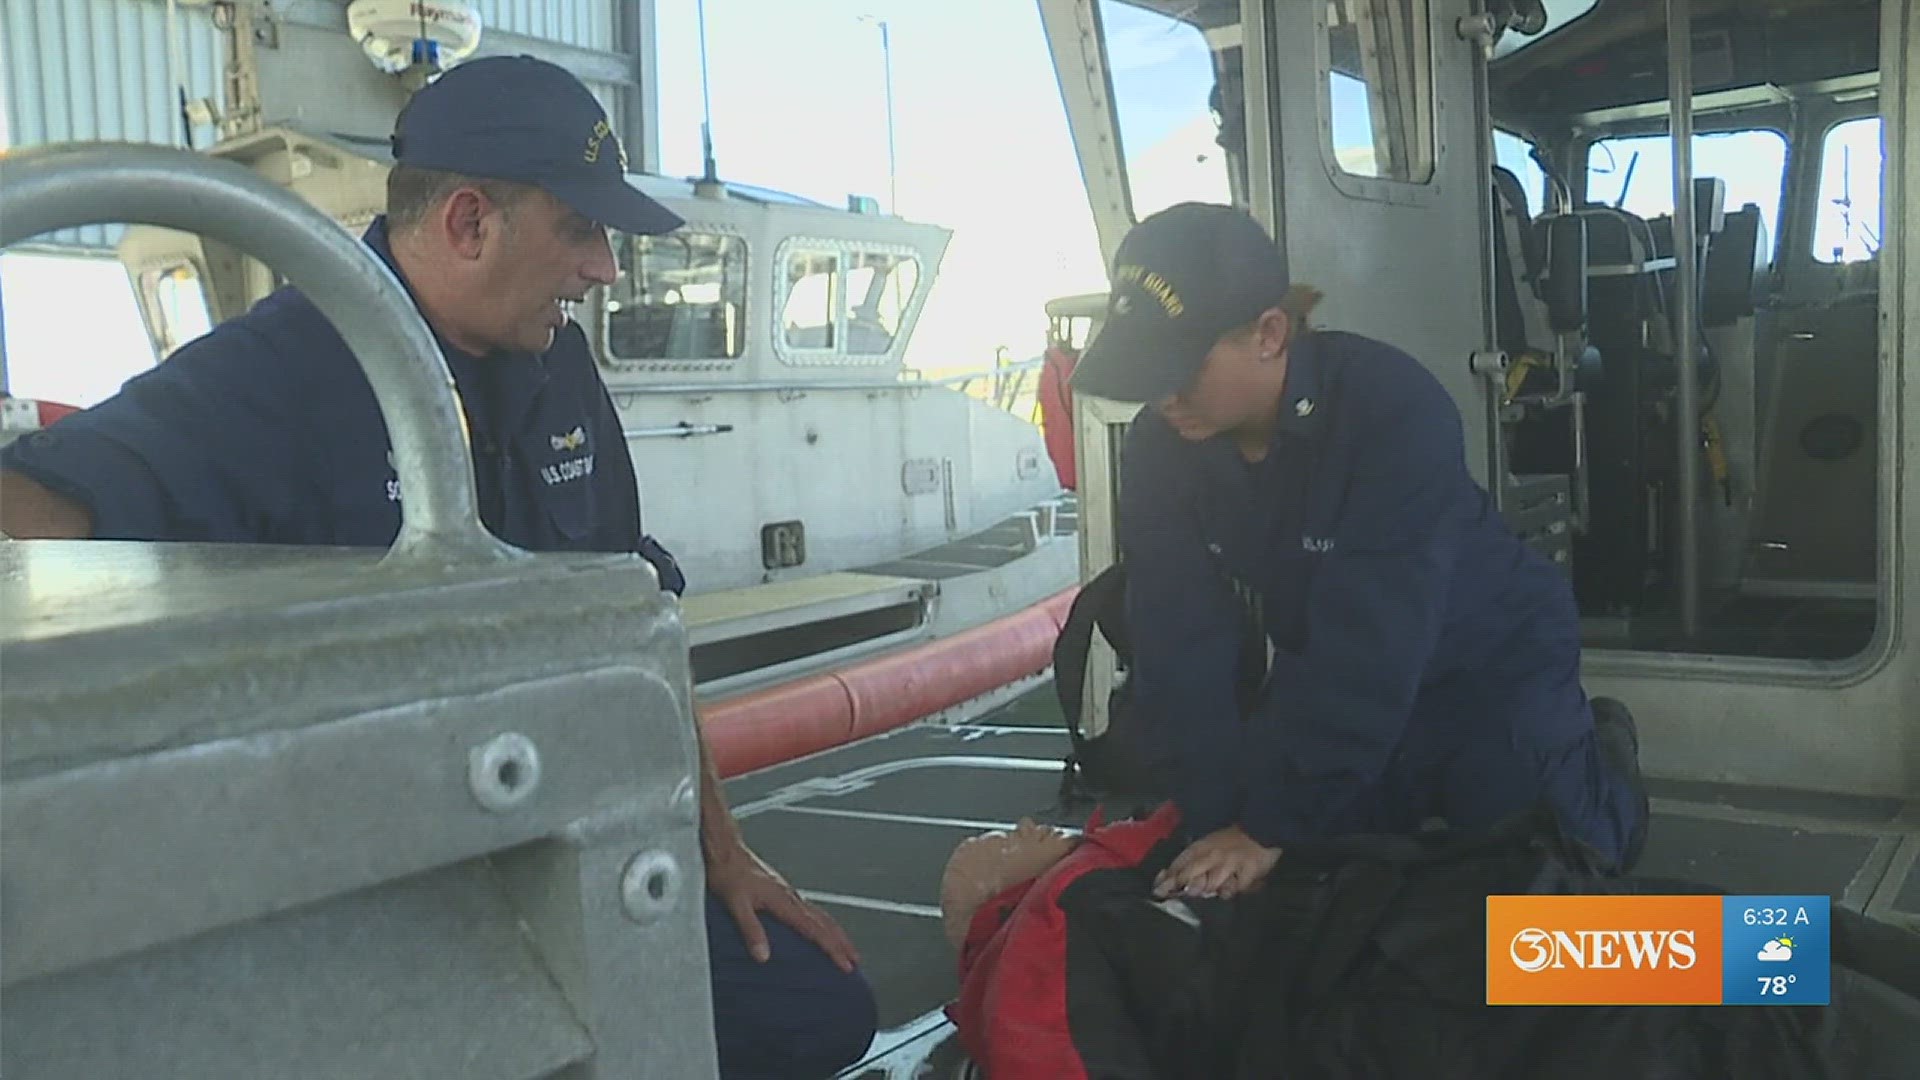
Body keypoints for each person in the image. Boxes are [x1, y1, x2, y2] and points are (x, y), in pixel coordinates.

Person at [0, 55, 876, 1079]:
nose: (604, 268)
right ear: (469, 223)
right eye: (581, 229)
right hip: (371, 898)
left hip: (558, 853)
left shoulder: (558, 367)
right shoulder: (275, 371)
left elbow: (637, 618)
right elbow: (38, 509)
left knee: (819, 1011)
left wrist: (721, 849)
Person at [1066, 202, 1649, 903]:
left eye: (1181, 369)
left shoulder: (1392, 408)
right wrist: (1217, 822)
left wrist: (1269, 825)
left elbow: (1373, 639)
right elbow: (1179, 639)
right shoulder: (1163, 449)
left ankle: (1609, 764)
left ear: (1270, 334)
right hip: (1350, 684)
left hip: (1489, 664)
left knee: (1544, 895)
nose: (1162, 396)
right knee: (1341, 888)